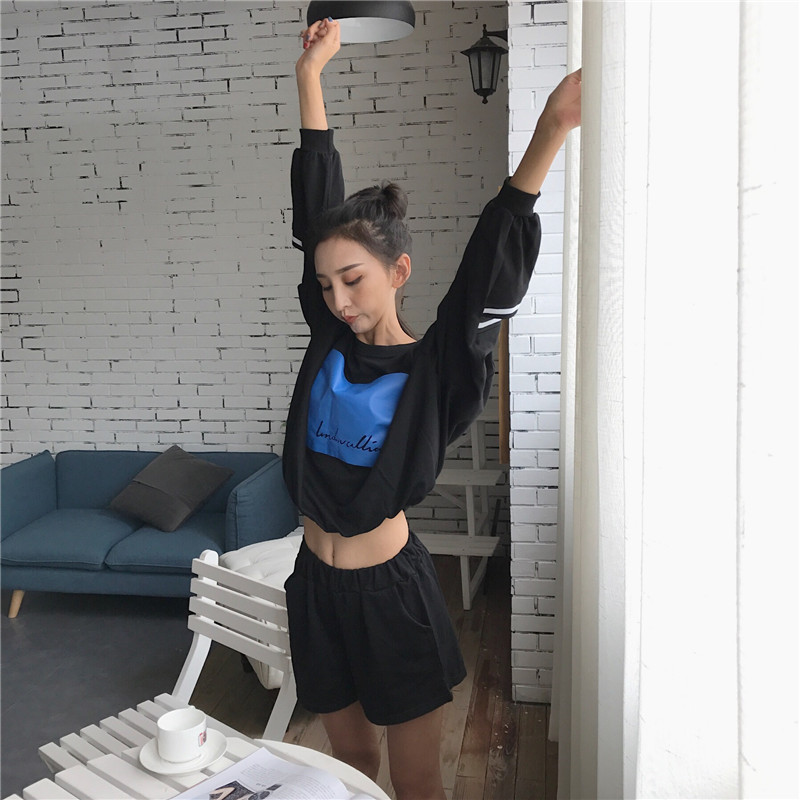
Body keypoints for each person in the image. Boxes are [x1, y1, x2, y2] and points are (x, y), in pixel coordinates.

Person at [282, 17, 581, 800]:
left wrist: (549, 131)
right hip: (313, 586)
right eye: (326, 285)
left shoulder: (434, 372)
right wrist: (310, 77)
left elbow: (485, 282)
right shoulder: (329, 340)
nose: (338, 299)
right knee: (348, 767)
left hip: (391, 596)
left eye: (354, 279)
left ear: (398, 271)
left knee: (416, 784)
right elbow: (313, 215)